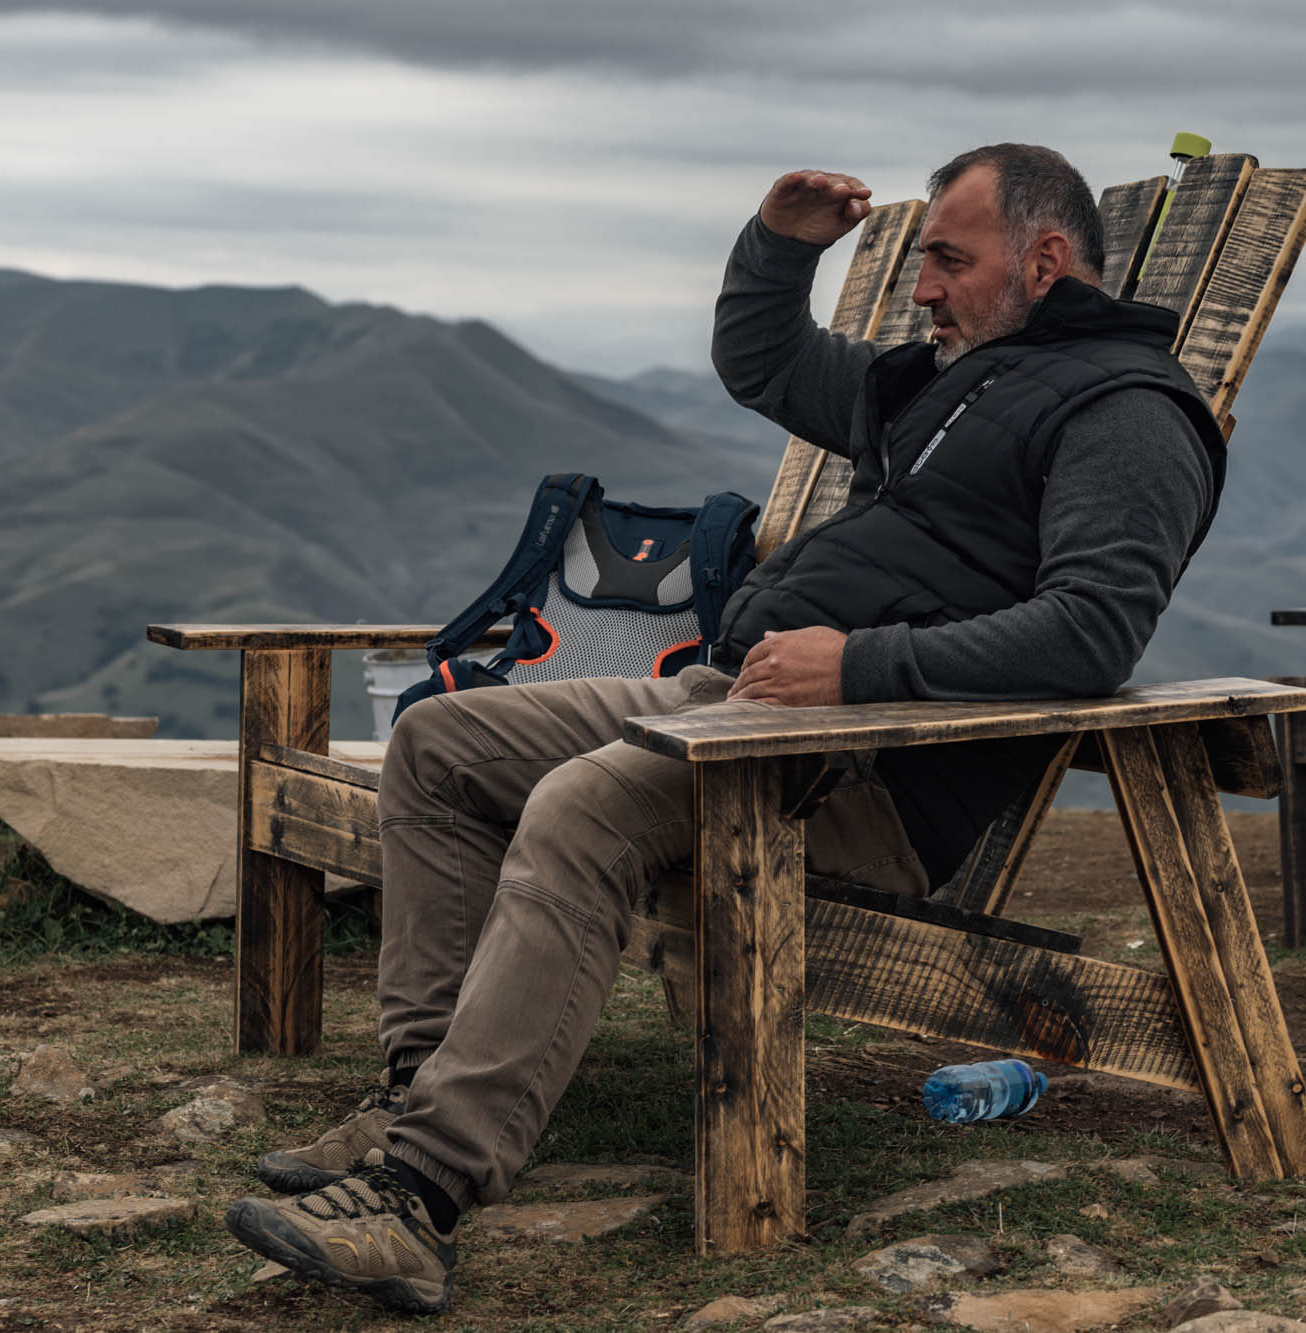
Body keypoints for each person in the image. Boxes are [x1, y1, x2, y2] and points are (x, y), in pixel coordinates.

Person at [221, 143, 1226, 1316]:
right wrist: (780, 245)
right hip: (739, 709)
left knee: (582, 808)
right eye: (919, 263)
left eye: (948, 261)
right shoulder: (945, 383)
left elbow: (1092, 633)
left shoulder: (1127, 413)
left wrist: (857, 665)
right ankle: (413, 1093)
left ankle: (419, 1196)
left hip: (861, 773)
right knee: (439, 747)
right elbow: (763, 359)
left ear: (1045, 260)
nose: (922, 288)